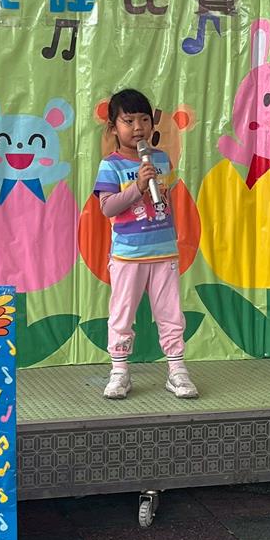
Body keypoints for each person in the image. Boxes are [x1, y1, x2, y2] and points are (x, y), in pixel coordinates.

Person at [93, 88, 199, 400]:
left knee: (171, 313)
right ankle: (119, 371)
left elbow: (167, 200)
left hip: (164, 252)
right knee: (122, 314)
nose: (138, 127)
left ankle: (177, 370)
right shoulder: (110, 165)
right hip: (128, 255)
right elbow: (108, 208)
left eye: (144, 119)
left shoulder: (161, 160)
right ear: (114, 127)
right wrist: (138, 186)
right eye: (128, 121)